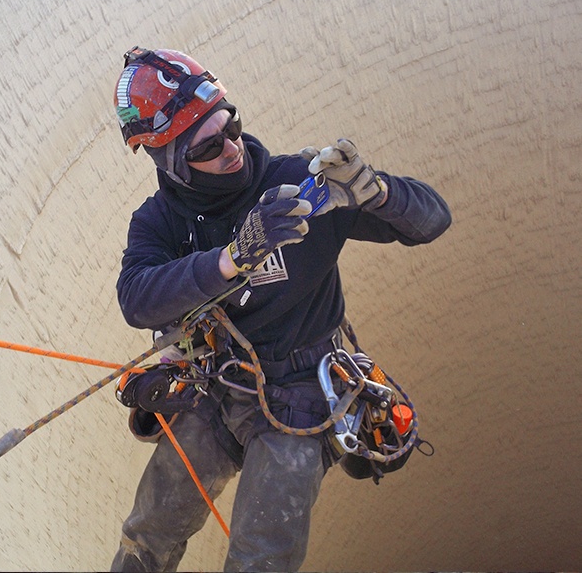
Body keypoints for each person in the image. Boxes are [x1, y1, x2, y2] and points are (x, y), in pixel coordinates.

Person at [109, 46, 451, 572]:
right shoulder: (160, 222)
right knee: (148, 533)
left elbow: (432, 222)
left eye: (232, 125)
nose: (232, 149)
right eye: (208, 147)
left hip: (302, 397)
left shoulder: (298, 186)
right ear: (173, 165)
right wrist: (230, 258)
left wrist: (379, 193)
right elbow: (137, 297)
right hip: (217, 386)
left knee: (260, 559)